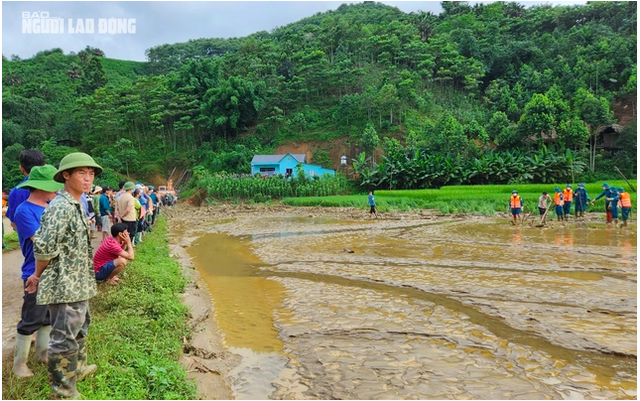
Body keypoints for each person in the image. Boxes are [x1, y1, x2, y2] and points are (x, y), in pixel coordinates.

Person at [26, 152, 103, 398]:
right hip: (65, 285)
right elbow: (44, 248)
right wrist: (37, 275)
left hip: (79, 282)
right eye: (82, 172)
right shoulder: (60, 207)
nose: (88, 178)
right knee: (63, 338)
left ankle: (78, 369)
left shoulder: (76, 204)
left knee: (81, 328)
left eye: (91, 173)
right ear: (66, 175)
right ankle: (63, 391)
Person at [12, 165, 63, 378]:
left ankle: (42, 354)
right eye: (52, 187)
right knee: (31, 318)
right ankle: (19, 364)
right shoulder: (24, 211)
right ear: (40, 187)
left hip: (54, 272)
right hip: (36, 273)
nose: (56, 191)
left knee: (48, 317)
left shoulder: (51, 207)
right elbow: (43, 243)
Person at [6, 149, 46, 230]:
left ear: (21, 169)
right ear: (45, 166)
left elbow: (14, 224)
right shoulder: (55, 187)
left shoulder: (15, 192)